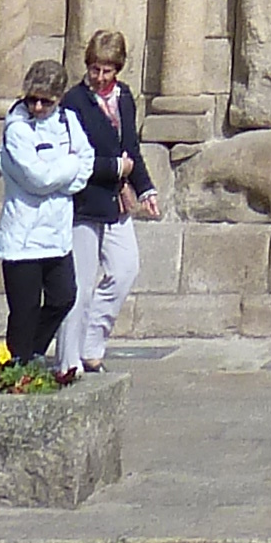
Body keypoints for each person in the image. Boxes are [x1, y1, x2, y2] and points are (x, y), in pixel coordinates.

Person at [56, 28, 159, 378]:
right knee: (80, 286)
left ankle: (91, 344)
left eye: (107, 70)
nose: (100, 77)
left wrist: (146, 189)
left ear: (118, 69)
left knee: (125, 269)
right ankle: (69, 359)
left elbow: (131, 148)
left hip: (115, 203)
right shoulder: (74, 102)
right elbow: (74, 158)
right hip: (85, 202)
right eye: (95, 69)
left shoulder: (124, 97)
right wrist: (115, 167)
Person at [0, 61, 93, 366]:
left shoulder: (68, 121)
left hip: (56, 232)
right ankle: (17, 366)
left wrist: (66, 176)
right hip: (23, 236)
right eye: (32, 100)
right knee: (24, 310)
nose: (37, 107)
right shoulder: (16, 128)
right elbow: (38, 180)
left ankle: (27, 356)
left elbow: (86, 161)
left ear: (59, 98)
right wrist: (69, 167)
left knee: (64, 297)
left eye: (46, 101)